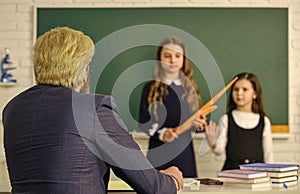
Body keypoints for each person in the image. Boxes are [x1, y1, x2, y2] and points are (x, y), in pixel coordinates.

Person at [2, 27, 183, 194]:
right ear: (82, 70)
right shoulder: (93, 108)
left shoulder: (12, 109)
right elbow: (152, 186)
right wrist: (172, 179)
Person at [138, 36, 207, 178]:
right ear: (159, 59)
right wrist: (162, 133)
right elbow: (144, 123)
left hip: (184, 154)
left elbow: (195, 123)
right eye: (167, 56)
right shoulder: (150, 88)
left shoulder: (191, 89)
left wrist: (199, 125)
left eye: (177, 56)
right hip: (158, 152)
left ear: (183, 59)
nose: (172, 60)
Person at [204, 72, 274, 170]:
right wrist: (212, 142)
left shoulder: (264, 121)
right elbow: (219, 150)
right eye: (236, 89)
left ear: (255, 94)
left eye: (245, 89)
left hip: (257, 176)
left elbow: (268, 155)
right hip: (231, 175)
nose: (239, 93)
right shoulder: (226, 119)